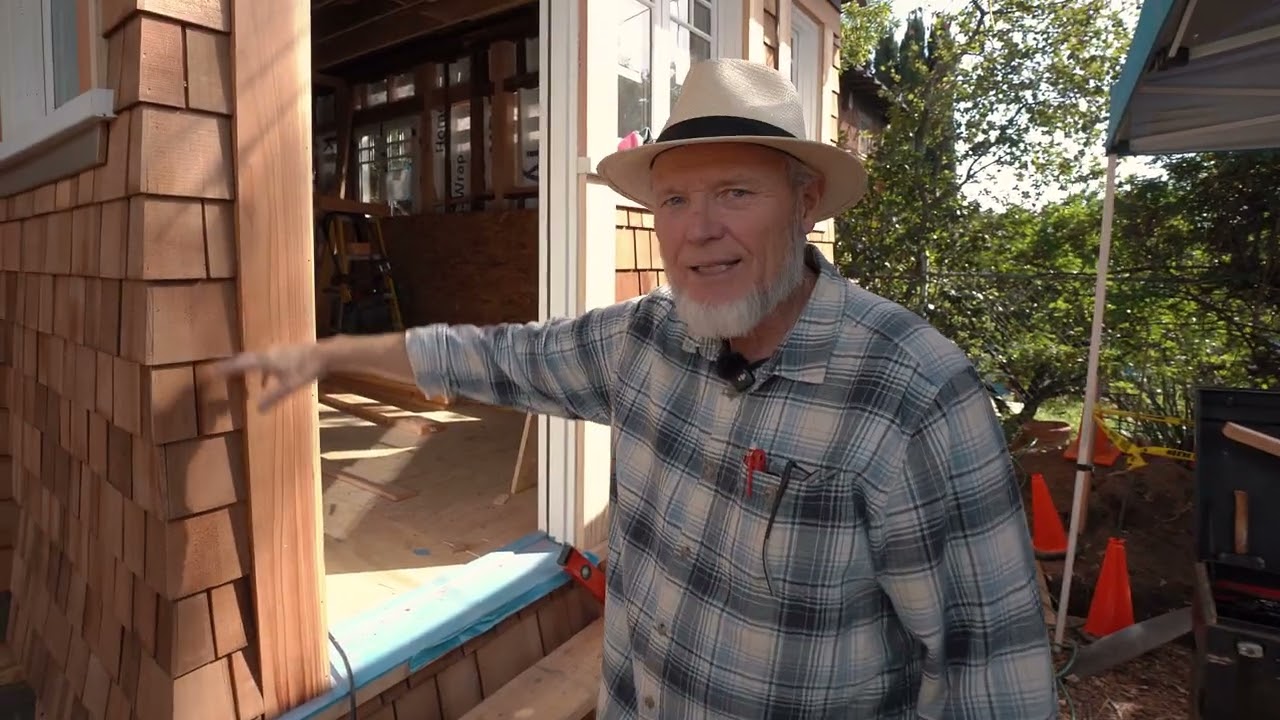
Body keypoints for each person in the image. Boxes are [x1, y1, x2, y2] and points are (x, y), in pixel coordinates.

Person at [213, 59, 1057, 718]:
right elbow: (490, 356)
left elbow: (993, 678)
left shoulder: (911, 397)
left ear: (804, 204)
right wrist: (327, 357)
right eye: (675, 198)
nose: (698, 230)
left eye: (735, 192)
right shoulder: (643, 340)